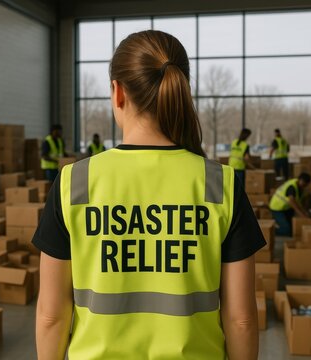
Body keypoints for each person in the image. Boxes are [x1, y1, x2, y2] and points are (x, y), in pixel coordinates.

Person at [33, 30, 266, 360]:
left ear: (117, 92)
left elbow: (51, 317)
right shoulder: (220, 183)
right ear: (182, 89)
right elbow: (241, 319)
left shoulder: (75, 182)